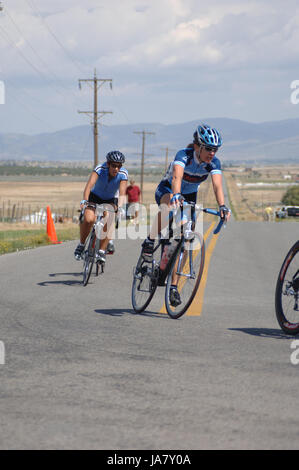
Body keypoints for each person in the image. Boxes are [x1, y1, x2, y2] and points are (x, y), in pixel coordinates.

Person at [141, 123, 231, 307]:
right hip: (169, 189)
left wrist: (222, 206)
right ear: (197, 146)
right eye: (208, 148)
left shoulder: (214, 163)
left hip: (189, 195)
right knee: (167, 207)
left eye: (215, 149)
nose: (212, 153)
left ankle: (173, 286)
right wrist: (175, 195)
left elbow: (217, 185)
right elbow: (177, 178)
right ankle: (150, 240)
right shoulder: (184, 155)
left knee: (185, 239)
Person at [74, 151, 128, 263]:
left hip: (110, 199)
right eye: (114, 165)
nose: (116, 169)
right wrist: (84, 200)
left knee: (110, 219)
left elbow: (122, 193)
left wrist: (121, 207)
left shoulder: (123, 173)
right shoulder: (100, 168)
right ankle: (81, 244)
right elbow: (89, 186)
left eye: (119, 166)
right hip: (95, 197)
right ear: (108, 164)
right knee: (89, 219)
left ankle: (102, 251)